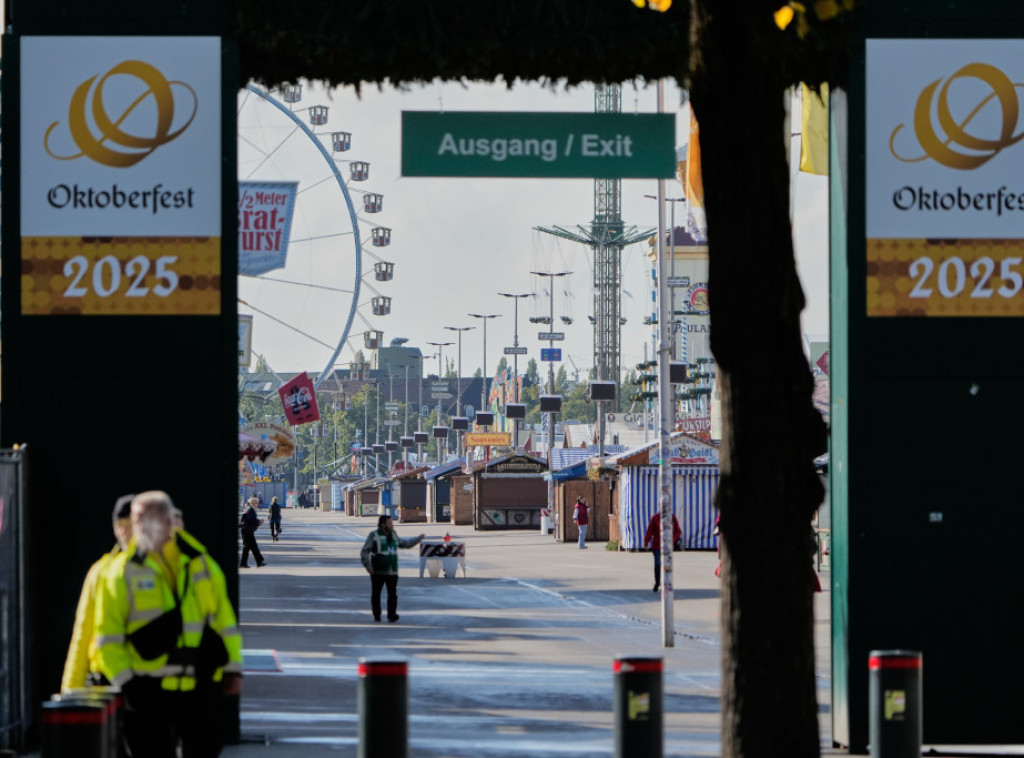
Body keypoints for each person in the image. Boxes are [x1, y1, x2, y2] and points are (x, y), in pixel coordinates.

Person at [95, 491, 244, 758]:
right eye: (136, 521)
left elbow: (224, 621)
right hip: (147, 690)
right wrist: (128, 683)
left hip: (197, 686)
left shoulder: (200, 564)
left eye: (146, 520)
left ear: (168, 521)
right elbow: (106, 637)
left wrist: (232, 668)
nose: (139, 527)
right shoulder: (121, 571)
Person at [60, 494, 135, 691]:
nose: (126, 531)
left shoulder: (161, 568)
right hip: (108, 684)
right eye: (122, 525)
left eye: (131, 525)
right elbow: (82, 636)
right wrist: (70, 691)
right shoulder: (101, 571)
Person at [360, 515, 424, 623]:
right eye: (389, 523)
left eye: (392, 523)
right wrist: (368, 565)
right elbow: (365, 551)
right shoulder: (374, 535)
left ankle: (391, 615)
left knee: (393, 595)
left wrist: (418, 539)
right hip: (378, 571)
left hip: (392, 571)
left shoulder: (393, 535)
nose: (392, 525)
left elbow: (405, 544)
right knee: (376, 594)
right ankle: (377, 615)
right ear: (383, 524)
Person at [643, 510, 682, 592]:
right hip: (657, 546)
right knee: (658, 564)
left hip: (668, 547)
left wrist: (672, 540)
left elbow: (678, 531)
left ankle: (667, 583)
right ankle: (657, 582)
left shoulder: (672, 517)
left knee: (667, 566)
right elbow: (650, 531)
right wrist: (646, 542)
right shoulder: (655, 518)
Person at [239, 496, 266, 568]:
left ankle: (256, 562)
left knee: (249, 547)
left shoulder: (248, 508)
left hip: (247, 530)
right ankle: (257, 562)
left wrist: (258, 522)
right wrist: (258, 521)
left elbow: (248, 519)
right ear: (254, 503)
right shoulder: (251, 509)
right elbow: (251, 519)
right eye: (256, 503)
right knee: (251, 546)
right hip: (247, 530)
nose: (257, 504)